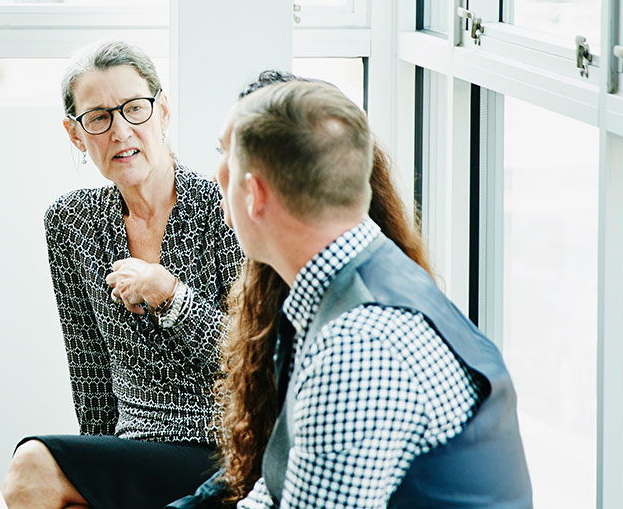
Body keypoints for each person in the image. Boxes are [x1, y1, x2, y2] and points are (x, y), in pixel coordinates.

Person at [187, 80, 531, 508]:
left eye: (227, 159)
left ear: (255, 194)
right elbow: (277, 489)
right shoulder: (360, 279)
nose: (217, 177)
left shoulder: (359, 346)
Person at [3, 41, 244, 509]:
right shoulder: (71, 222)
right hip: (131, 444)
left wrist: (171, 295)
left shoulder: (223, 208)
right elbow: (90, 370)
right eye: (98, 117)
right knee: (50, 488)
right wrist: (93, 480)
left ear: (163, 111)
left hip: (221, 447)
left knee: (32, 465)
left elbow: (250, 359)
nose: (120, 131)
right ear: (76, 134)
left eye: (134, 109)